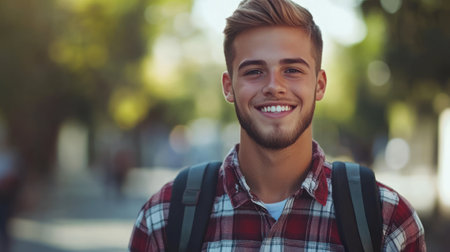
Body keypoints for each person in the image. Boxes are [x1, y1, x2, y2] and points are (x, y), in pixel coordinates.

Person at [129, 0, 426, 251]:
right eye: (254, 71)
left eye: (292, 70)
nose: (274, 86)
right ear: (228, 86)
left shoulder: (388, 221)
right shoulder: (164, 219)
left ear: (319, 85)